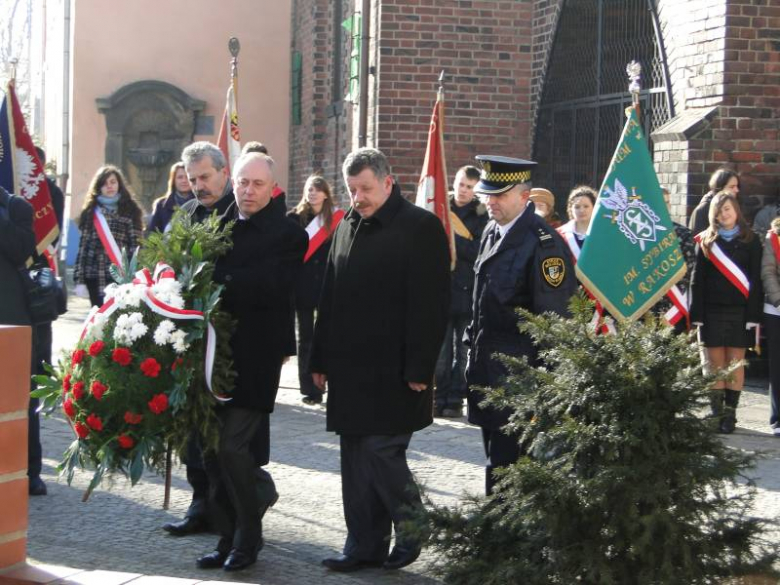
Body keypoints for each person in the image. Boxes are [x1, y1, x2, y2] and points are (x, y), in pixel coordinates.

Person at [310, 147, 450, 572]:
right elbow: (328, 295)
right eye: (352, 190)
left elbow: (431, 306)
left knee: (381, 452)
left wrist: (420, 368)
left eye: (366, 189)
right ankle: (363, 546)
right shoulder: (347, 224)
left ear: (388, 183)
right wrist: (318, 358)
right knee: (354, 458)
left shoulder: (421, 227)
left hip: (395, 371)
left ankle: (413, 527)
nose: (358, 198)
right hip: (350, 371)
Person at [196, 152, 307, 572]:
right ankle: (227, 535)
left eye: (257, 184)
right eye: (242, 182)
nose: (248, 190)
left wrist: (217, 280)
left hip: (257, 358)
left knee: (232, 448)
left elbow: (269, 287)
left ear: (271, 187)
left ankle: (249, 537)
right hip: (213, 355)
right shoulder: (218, 224)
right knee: (211, 452)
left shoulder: (288, 233)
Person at [164, 142, 280, 538]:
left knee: (231, 443)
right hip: (193, 342)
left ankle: (248, 500)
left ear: (223, 174)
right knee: (196, 436)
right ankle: (204, 505)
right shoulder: (187, 215)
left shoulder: (241, 216)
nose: (198, 186)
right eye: (192, 179)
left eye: (205, 178)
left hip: (237, 347)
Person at [465, 155, 576, 495]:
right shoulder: (491, 231)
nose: (490, 201)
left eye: (499, 194)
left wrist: (545, 387)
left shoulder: (544, 243)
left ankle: (511, 537)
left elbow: (554, 321)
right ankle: (497, 531)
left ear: (524, 196)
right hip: (487, 368)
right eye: (488, 194)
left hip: (520, 375)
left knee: (514, 464)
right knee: (494, 457)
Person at [690, 192, 762, 434]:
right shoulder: (705, 241)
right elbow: (696, 280)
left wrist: (754, 316)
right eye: (720, 211)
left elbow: (756, 281)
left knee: (734, 364)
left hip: (740, 312)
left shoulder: (752, 240)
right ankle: (716, 413)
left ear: (736, 211)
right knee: (714, 365)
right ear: (714, 215)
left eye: (728, 209)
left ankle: (730, 416)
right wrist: (696, 313)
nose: (725, 214)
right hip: (710, 312)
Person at [435, 165, 487, 418]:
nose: (463, 190)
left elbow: (478, 251)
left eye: (469, 187)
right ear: (453, 183)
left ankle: (455, 398)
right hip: (441, 290)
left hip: (467, 292)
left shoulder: (482, 216)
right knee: (441, 352)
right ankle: (439, 395)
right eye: (461, 184)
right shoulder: (440, 210)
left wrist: (454, 240)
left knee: (463, 351)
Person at [28, 147, 66, 496]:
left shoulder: (47, 193)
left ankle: (30, 470)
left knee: (30, 388)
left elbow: (46, 239)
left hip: (33, 304)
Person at [287, 174, 341, 405]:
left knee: (329, 336)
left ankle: (331, 383)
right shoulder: (294, 219)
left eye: (317, 189)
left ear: (326, 193)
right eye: (309, 189)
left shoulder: (337, 219)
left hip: (328, 285)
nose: (313, 193)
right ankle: (309, 389)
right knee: (306, 338)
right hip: (304, 286)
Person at [73, 165, 143, 307]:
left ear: (119, 184)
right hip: (94, 274)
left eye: (113, 182)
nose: (109, 186)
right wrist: (79, 280)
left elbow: (136, 246)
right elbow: (83, 247)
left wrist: (137, 274)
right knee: (99, 320)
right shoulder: (91, 211)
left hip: (121, 275)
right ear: (98, 187)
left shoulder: (131, 210)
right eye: (104, 183)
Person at [652, 188, 696, 333]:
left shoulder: (683, 234)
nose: (664, 206)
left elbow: (688, 270)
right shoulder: (639, 236)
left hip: (674, 305)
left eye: (667, 202)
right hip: (645, 306)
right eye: (659, 202)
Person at [761, 217, 780, 437]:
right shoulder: (773, 236)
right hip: (776, 310)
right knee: (777, 367)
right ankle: (777, 419)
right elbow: (768, 272)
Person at [146, 162, 194, 234]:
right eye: (180, 177)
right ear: (174, 180)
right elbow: (153, 234)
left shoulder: (202, 203)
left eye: (187, 177)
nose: (184, 181)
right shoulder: (162, 205)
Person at [688, 168, 740, 235]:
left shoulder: (736, 204)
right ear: (720, 188)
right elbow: (697, 240)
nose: (737, 190)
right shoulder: (703, 210)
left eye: (737, 186)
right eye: (732, 187)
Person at [241, 141, 286, 208]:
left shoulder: (276, 195)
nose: (249, 191)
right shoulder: (234, 191)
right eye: (243, 182)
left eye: (258, 184)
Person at [557, 185, 596, 250]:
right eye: (577, 207)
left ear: (594, 207)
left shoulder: (602, 233)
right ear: (571, 209)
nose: (581, 210)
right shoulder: (559, 234)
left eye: (586, 206)